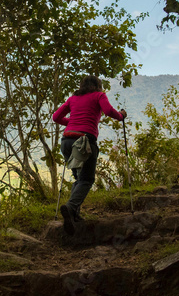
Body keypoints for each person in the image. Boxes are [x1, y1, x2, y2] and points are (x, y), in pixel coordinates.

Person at [52, 75, 126, 234]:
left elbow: (56, 117)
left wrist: (71, 123)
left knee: (79, 178)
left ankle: (74, 215)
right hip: (84, 141)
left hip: (66, 141)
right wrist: (121, 116)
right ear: (98, 86)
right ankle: (71, 208)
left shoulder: (72, 99)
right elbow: (107, 111)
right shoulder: (99, 95)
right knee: (86, 179)